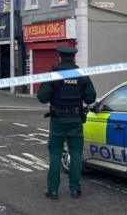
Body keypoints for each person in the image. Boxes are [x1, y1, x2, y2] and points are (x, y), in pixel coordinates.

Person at [37, 46, 96, 200]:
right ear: (74, 58)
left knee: (55, 154)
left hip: (58, 121)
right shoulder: (82, 75)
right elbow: (91, 98)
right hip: (76, 121)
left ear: (59, 58)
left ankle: (53, 190)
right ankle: (75, 189)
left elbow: (42, 97)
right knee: (76, 154)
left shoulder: (54, 74)